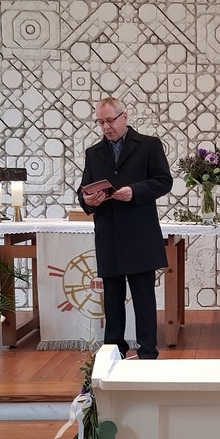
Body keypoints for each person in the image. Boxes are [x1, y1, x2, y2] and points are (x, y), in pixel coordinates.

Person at [78, 97, 173, 359]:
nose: (106, 127)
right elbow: (84, 188)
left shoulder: (149, 145)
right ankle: (113, 350)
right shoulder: (93, 153)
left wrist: (135, 191)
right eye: (100, 122)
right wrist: (87, 201)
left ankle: (147, 352)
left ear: (124, 117)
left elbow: (164, 181)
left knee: (143, 297)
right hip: (109, 234)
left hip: (140, 233)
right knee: (112, 298)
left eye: (110, 120)